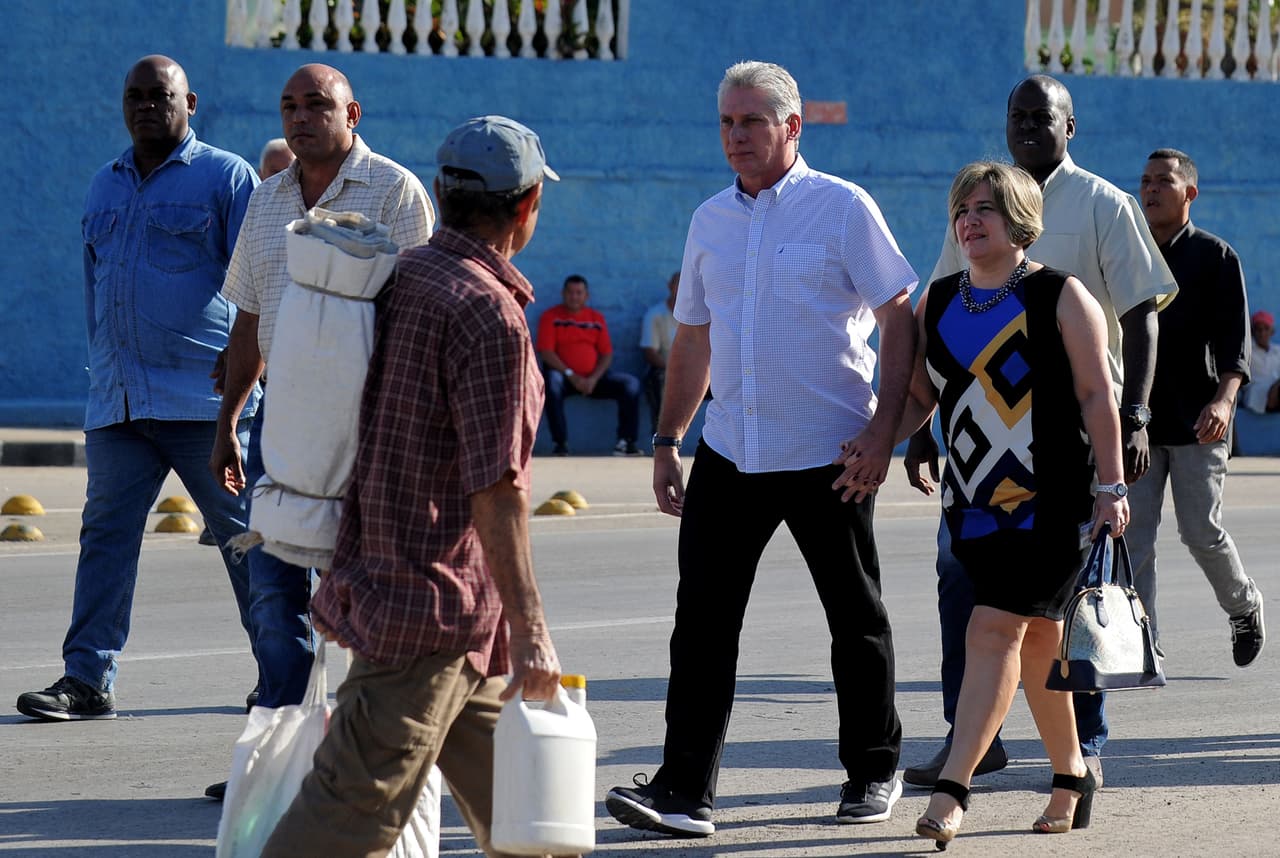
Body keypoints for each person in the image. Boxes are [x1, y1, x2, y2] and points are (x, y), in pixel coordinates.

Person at [605, 60, 917, 837]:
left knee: (856, 617)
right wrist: (668, 438)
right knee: (702, 624)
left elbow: (901, 317)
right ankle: (684, 791)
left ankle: (874, 770)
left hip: (829, 454)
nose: (736, 136)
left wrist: (885, 432)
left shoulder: (842, 209)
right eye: (725, 122)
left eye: (751, 121)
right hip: (732, 450)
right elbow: (694, 337)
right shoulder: (709, 219)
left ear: (792, 127)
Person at [260, 114, 562, 858]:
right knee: (331, 832)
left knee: (536, 826)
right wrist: (532, 630)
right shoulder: (490, 314)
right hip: (427, 616)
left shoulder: (404, 274)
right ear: (528, 206)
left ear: (439, 192)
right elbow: (497, 491)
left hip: (435, 610)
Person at [901, 73, 1177, 790]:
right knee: (960, 579)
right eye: (1016, 115)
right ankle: (976, 737)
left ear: (1069, 126)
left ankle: (1083, 740)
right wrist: (922, 427)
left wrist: (1136, 415)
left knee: (1066, 606)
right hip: (979, 451)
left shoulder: (1104, 205)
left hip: (1068, 447)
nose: (1026, 126)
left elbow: (1142, 313)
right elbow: (941, 332)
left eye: (1040, 116)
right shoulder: (975, 203)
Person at [206, 63, 433, 796]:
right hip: (282, 427)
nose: (301, 117)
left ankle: (364, 763)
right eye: (289, 106)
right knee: (274, 595)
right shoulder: (268, 200)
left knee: (364, 596)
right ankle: (277, 765)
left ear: (353, 112)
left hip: (373, 424)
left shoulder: (396, 192)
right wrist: (229, 421)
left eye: (318, 104)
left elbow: (419, 316)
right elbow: (249, 320)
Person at [15, 56, 261, 721]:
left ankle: (285, 674)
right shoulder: (104, 185)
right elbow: (97, 290)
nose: (146, 106)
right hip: (120, 402)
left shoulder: (227, 177)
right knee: (105, 538)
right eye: (135, 96)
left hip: (204, 404)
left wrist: (248, 375)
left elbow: (260, 289)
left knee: (247, 541)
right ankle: (86, 680)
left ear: (191, 102)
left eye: (161, 95)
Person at [907, 160, 1122, 847]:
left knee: (990, 631)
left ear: (1019, 220)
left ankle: (953, 789)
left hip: (1052, 504)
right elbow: (918, 397)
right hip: (971, 502)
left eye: (986, 209)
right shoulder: (937, 301)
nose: (970, 220)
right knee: (1036, 649)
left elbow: (1096, 395)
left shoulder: (1060, 295)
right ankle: (1071, 775)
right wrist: (874, 438)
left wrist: (1114, 487)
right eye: (962, 210)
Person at [1128, 148, 1264, 665]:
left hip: (1200, 420)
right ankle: (1144, 646)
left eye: (1163, 181)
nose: (1151, 189)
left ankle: (1243, 604)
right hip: (1137, 421)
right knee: (1134, 539)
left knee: (1200, 531)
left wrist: (1225, 403)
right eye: (1145, 181)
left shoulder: (1216, 257)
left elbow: (1235, 347)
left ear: (1190, 192)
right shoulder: (1130, 252)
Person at [536, 274, 644, 455]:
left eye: (579, 293)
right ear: (563, 294)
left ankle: (626, 443)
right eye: (570, 292)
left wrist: (593, 379)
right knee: (551, 383)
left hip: (594, 379)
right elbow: (546, 352)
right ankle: (560, 444)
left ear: (586, 296)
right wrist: (572, 375)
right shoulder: (551, 317)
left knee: (630, 385)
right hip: (565, 378)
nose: (574, 296)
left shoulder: (596, 318)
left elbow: (606, 354)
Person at [640, 272, 680, 432]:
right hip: (666, 369)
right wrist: (674, 370)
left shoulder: (702, 315)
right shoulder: (655, 315)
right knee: (657, 378)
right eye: (679, 284)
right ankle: (662, 438)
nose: (683, 289)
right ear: (670, 286)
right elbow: (650, 352)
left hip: (697, 374)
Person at [1243, 310, 1280, 413]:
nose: (1262, 333)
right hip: (1257, 395)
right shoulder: (1247, 352)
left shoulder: (1278, 351)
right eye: (1259, 330)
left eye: (1266, 329)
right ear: (1253, 332)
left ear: (1271, 331)